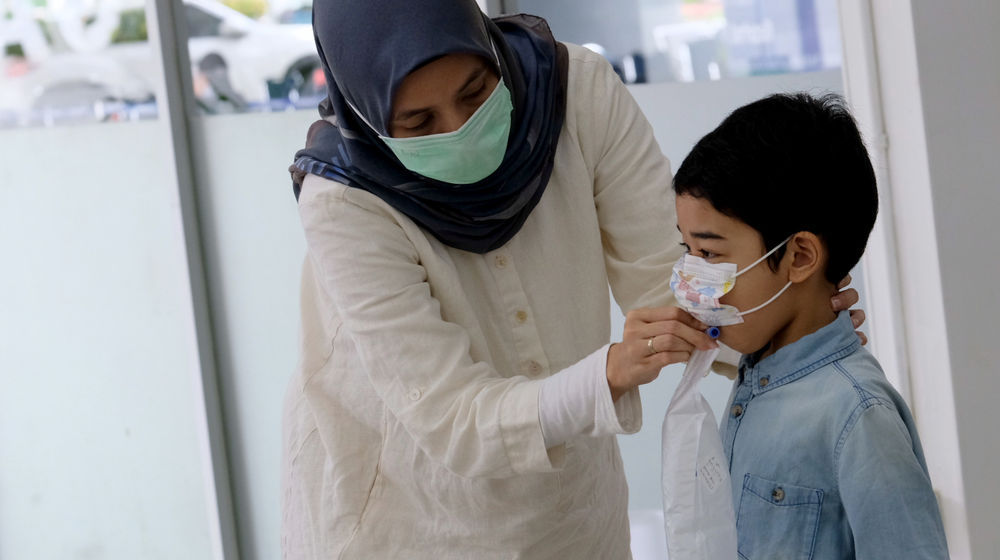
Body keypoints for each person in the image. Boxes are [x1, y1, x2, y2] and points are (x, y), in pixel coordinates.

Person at [281, 2, 863, 557]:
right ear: (365, 112)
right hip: (413, 517)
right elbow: (452, 418)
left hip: (573, 511)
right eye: (418, 122)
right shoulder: (344, 203)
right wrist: (608, 373)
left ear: (487, 47)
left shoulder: (573, 91)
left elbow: (671, 278)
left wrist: (786, 322)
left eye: (475, 92)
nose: (460, 129)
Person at [670, 93, 948, 558]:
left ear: (798, 256)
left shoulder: (858, 417)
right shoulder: (755, 375)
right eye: (687, 252)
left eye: (711, 254)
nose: (692, 281)